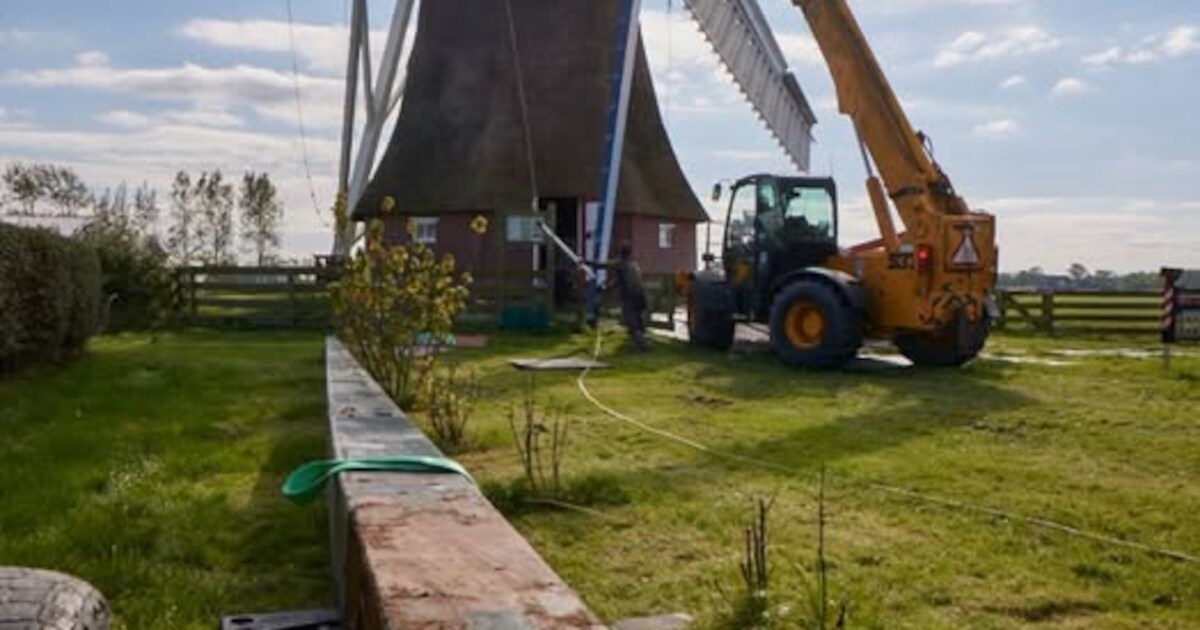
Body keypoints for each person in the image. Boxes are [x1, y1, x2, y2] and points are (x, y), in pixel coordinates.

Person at [585, 241, 649, 352]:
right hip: (641, 295)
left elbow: (601, 265)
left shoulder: (620, 263)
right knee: (638, 321)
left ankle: (639, 345)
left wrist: (585, 261)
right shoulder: (633, 265)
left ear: (621, 252)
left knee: (631, 320)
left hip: (630, 296)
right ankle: (642, 343)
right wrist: (606, 288)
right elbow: (619, 281)